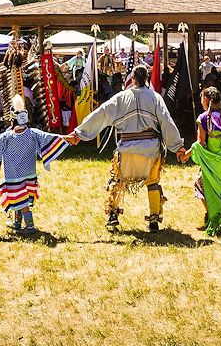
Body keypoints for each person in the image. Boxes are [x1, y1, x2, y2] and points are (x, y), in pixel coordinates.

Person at [65, 65, 184, 232]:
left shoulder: (121, 97)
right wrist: (177, 146)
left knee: (118, 180)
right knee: (153, 183)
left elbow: (102, 112)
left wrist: (80, 132)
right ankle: (154, 220)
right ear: (146, 79)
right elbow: (166, 121)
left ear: (133, 79)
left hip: (126, 150)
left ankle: (113, 215)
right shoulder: (155, 98)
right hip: (150, 150)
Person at [0, 95, 70, 234]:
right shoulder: (33, 133)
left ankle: (30, 226)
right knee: (20, 198)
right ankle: (17, 222)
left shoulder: (6, 137)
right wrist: (67, 138)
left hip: (14, 175)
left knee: (20, 199)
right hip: (29, 173)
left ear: (13, 120)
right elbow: (50, 137)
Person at [178, 87, 221, 236]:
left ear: (206, 100)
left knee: (200, 186)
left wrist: (185, 155)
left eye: (201, 98)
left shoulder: (204, 118)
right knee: (219, 189)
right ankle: (212, 219)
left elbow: (201, 143)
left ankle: (216, 218)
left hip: (210, 162)